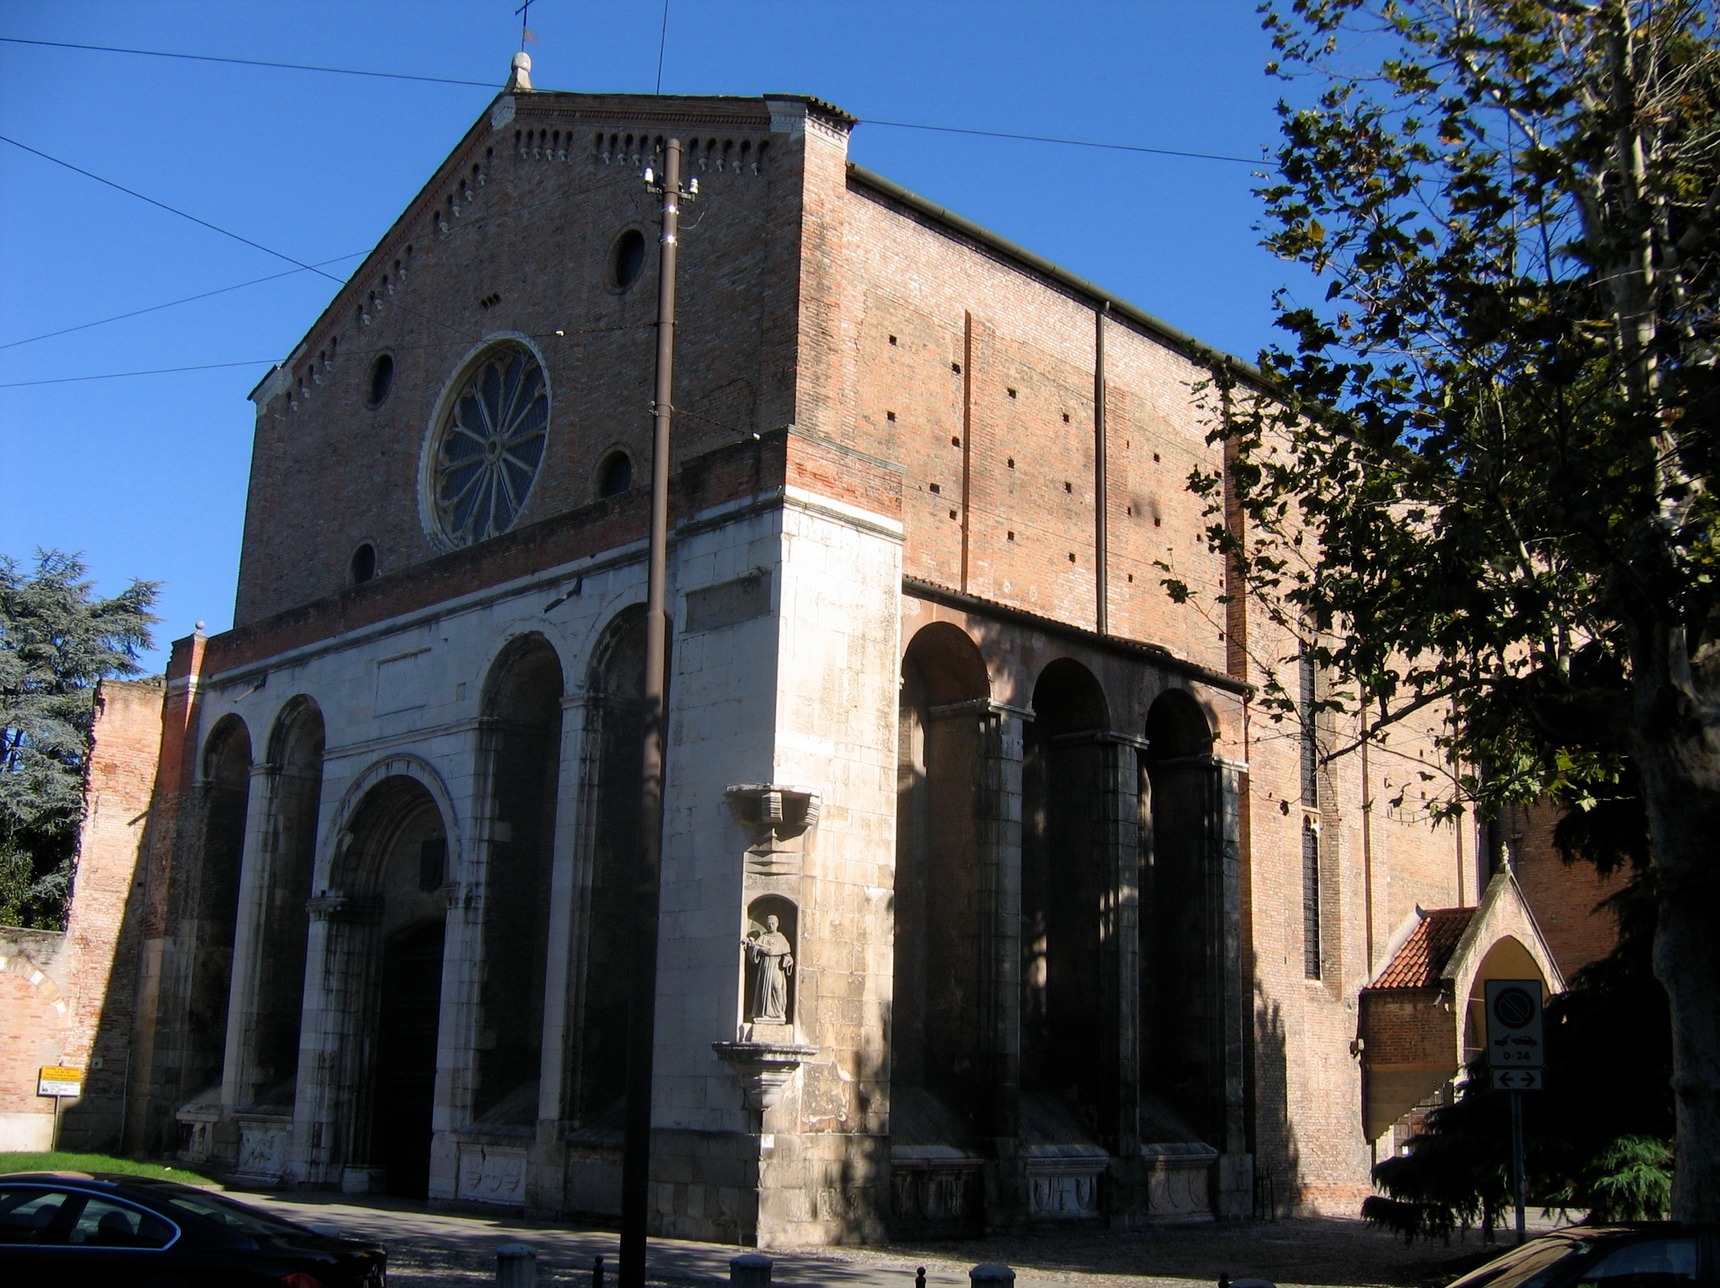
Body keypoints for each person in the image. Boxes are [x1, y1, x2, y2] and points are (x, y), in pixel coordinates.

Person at [742, 914, 793, 1023]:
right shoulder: (763, 937)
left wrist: (788, 961)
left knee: (777, 987)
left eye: (773, 923)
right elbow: (754, 949)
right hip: (766, 965)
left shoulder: (781, 938)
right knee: (765, 988)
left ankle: (779, 1012)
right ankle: (764, 1012)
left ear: (777, 924)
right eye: (768, 924)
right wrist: (761, 950)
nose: (770, 925)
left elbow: (788, 955)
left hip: (777, 965)